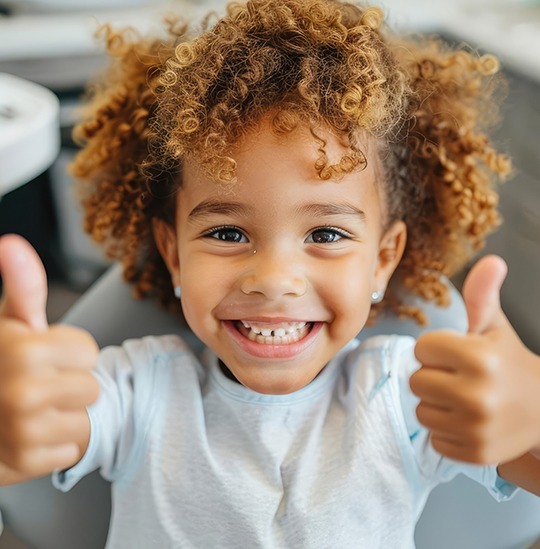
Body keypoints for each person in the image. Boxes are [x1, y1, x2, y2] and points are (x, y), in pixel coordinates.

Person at [1, 0, 540, 546]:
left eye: (325, 235)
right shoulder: (137, 394)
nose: (275, 278)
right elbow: (31, 431)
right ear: (172, 254)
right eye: (228, 234)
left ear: (383, 258)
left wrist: (533, 409)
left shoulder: (408, 398)